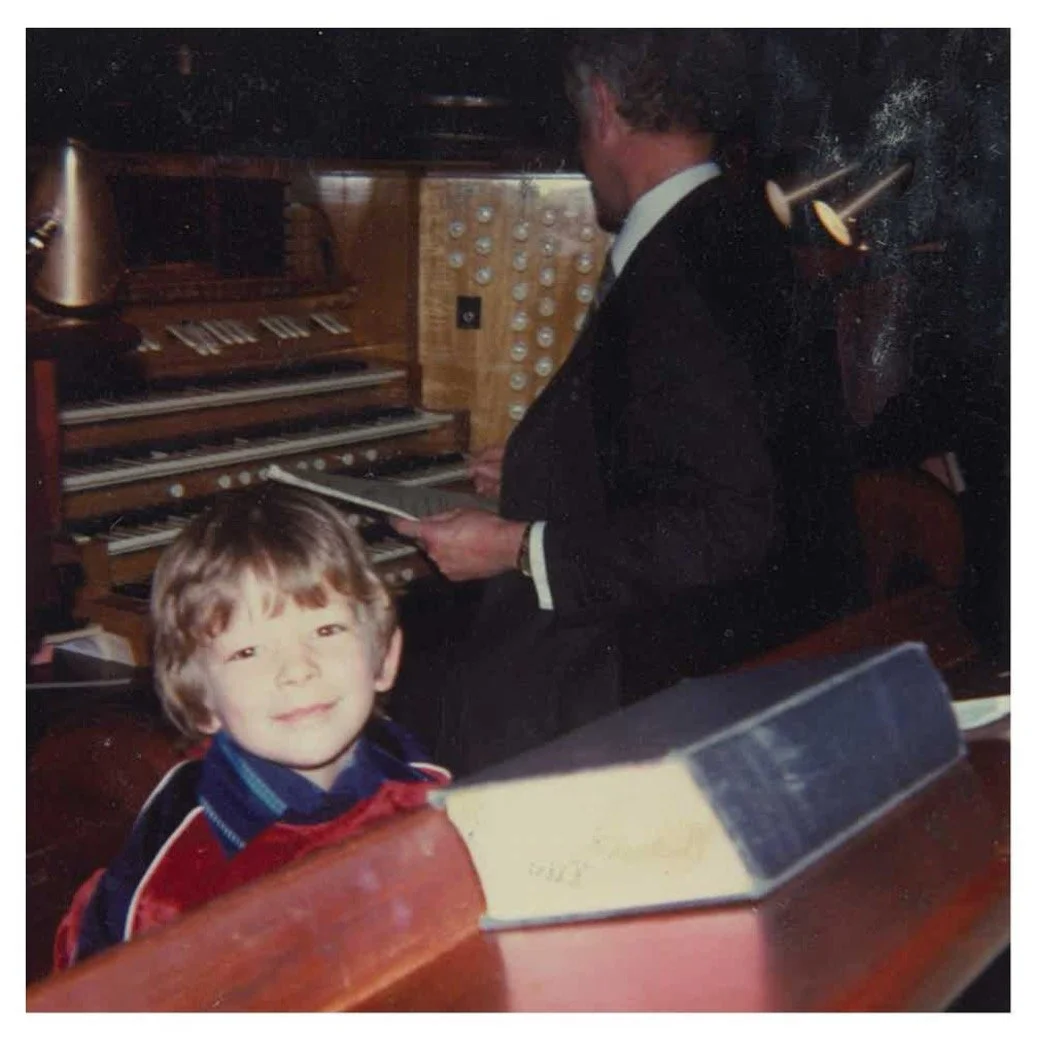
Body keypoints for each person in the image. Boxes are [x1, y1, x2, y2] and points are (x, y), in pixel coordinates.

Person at [390, 30, 805, 777]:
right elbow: (715, 448)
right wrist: (546, 463)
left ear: (604, 110)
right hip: (742, 635)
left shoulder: (677, 269)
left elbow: (727, 524)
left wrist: (512, 546)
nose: (585, 158)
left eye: (580, 128)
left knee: (413, 684)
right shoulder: (742, 229)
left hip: (653, 673)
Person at [53, 485, 449, 970]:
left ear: (384, 658)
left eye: (325, 630)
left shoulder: (423, 781)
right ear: (201, 701)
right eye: (247, 651)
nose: (297, 669)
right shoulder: (179, 871)